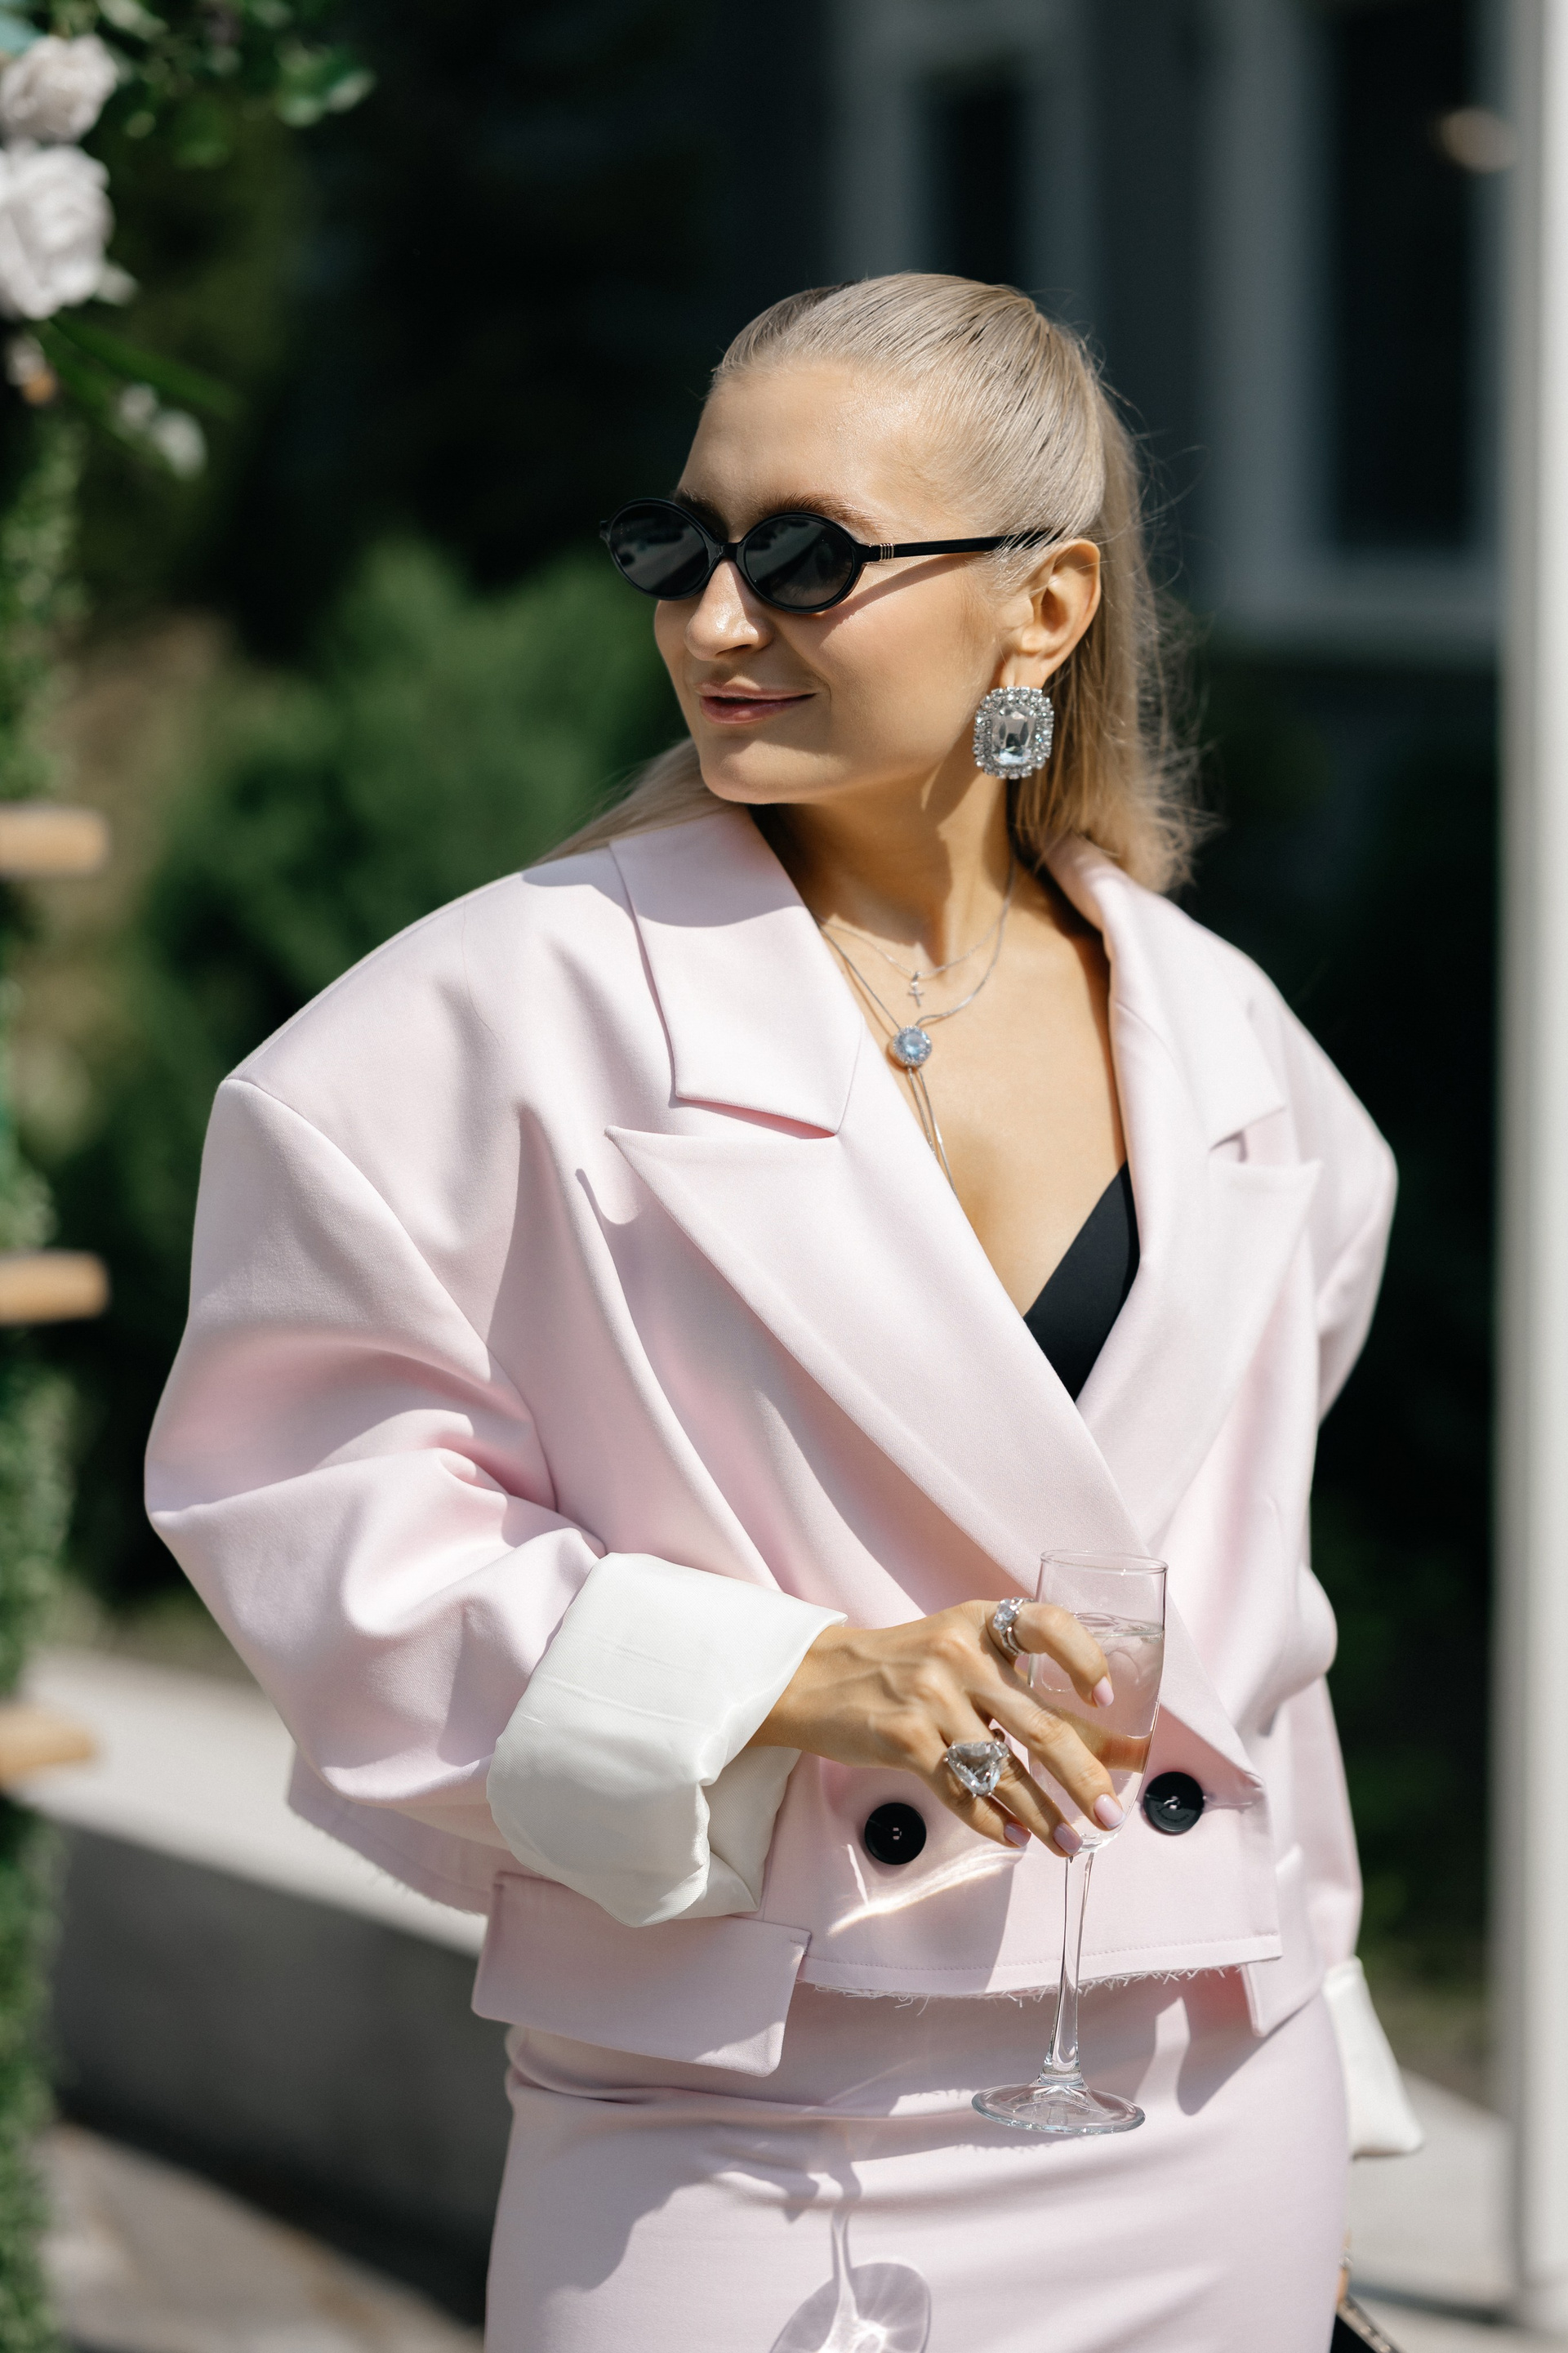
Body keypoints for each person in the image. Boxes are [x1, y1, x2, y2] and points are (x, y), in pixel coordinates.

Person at [148, 274, 1413, 2353]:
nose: (716, 618)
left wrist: (1324, 2114)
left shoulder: (1234, 1049)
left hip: (1207, 2121)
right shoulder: (470, 1029)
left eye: (809, 556)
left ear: (1045, 605)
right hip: (735, 2134)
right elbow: (307, 1526)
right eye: (684, 545)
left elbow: (1264, 1641)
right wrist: (783, 1676)